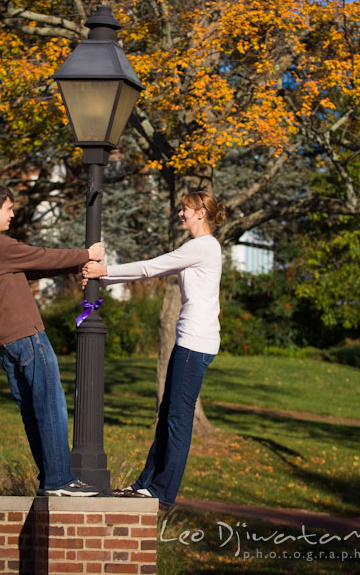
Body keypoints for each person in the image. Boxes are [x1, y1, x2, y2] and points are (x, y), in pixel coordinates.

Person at [82, 190, 226, 509]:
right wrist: (102, 281)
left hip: (194, 343)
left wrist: (104, 273)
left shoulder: (202, 246)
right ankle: (145, 484)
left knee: (177, 416)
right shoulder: (205, 248)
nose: (180, 214)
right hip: (192, 340)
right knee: (168, 414)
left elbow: (152, 268)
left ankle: (162, 491)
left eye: (185, 209)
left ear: (201, 213)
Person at [0, 183, 105, 497]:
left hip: (4, 342)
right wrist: (88, 254)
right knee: (50, 404)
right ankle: (59, 479)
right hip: (27, 336)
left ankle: (51, 476)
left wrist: (77, 266)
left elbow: (29, 267)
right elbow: (40, 256)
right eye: (9, 209)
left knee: (32, 410)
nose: (13, 215)